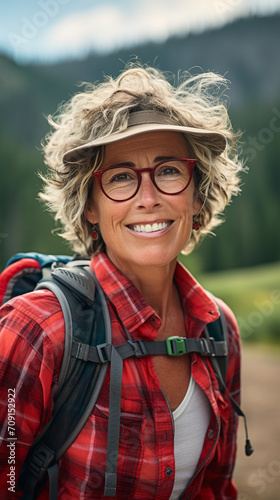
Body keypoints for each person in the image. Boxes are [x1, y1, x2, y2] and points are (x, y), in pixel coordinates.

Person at [0, 64, 245, 499]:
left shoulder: (218, 328)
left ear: (198, 191)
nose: (148, 199)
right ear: (90, 207)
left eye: (169, 170)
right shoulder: (38, 328)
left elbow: (217, 488)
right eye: (120, 177)